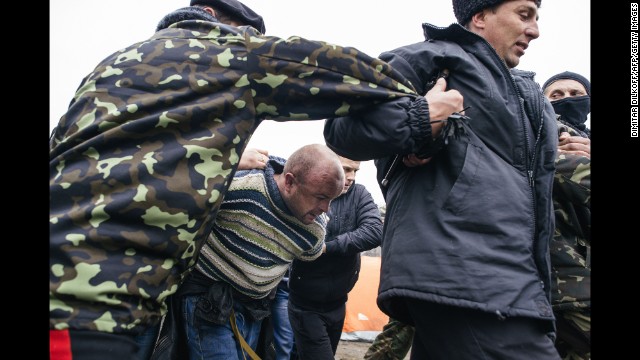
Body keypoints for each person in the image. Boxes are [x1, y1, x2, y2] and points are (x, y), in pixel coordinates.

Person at [48, 0, 452, 358]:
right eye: (246, 35)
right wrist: (419, 110)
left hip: (84, 285)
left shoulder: (112, 65)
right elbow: (335, 68)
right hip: (93, 298)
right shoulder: (227, 52)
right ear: (211, 18)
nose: (248, 42)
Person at [324, 0, 562, 358]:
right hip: (466, 279)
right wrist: (421, 118)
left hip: (518, 284)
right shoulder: (433, 59)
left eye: (537, 18)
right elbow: (342, 126)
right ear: (480, 16)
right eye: (524, 14)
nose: (535, 30)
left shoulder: (530, 94)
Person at [177, 144, 345, 359]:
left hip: (255, 310)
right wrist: (230, 164)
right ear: (290, 182)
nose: (326, 208)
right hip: (208, 300)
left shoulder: (313, 229)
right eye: (321, 197)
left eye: (332, 199)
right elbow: (182, 191)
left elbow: (313, 252)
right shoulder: (241, 185)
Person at [287, 155, 383, 360]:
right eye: (346, 169)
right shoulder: (309, 192)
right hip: (306, 304)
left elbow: (374, 231)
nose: (350, 177)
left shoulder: (359, 194)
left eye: (355, 171)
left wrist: (327, 248)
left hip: (338, 301)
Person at [543, 72, 591, 360]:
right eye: (556, 95)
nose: (567, 100)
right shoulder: (546, 132)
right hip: (568, 284)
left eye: (575, 93)